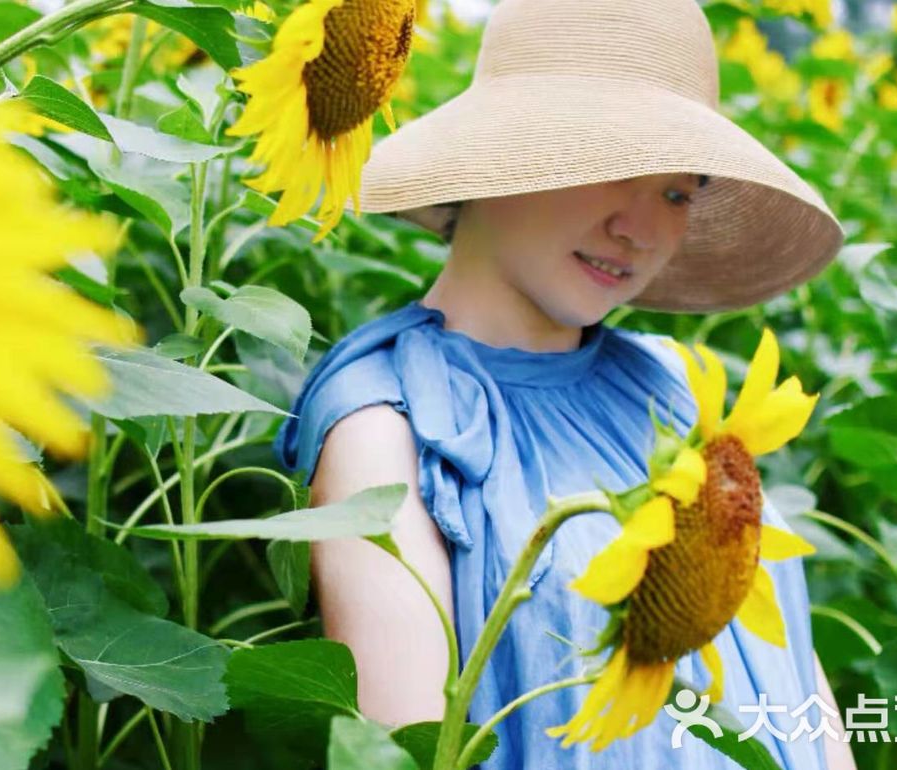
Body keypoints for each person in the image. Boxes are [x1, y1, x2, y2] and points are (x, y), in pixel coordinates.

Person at [272, 0, 859, 768]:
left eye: (678, 192)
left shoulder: (677, 385)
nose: (640, 230)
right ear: (501, 152)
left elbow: (795, 681)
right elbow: (406, 750)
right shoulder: (389, 426)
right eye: (611, 165)